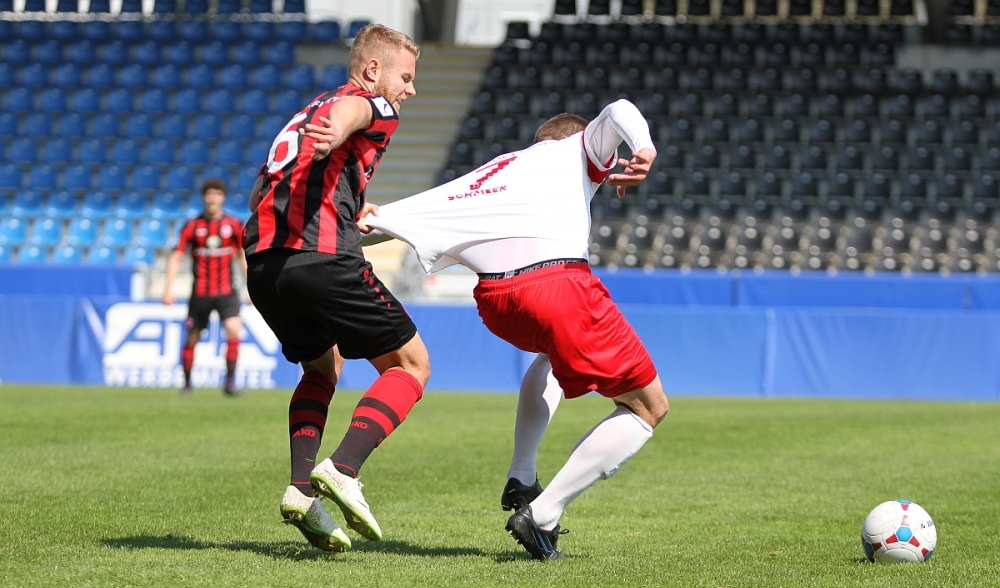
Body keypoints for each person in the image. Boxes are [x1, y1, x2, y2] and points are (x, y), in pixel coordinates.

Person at [315, 98, 668, 560]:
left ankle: (523, 474)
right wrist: (644, 148)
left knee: (551, 355)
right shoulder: (575, 151)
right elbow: (620, 109)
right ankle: (542, 515)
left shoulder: (491, 174)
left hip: (498, 302)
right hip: (557, 284)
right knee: (648, 407)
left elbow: (374, 223)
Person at [242, 24, 430, 553]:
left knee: (323, 367)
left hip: (264, 265)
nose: (410, 89)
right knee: (411, 365)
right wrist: (341, 127)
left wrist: (349, 205)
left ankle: (301, 490)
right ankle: (344, 468)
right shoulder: (364, 104)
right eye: (405, 77)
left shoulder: (304, 113)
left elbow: (264, 193)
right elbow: (359, 111)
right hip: (320, 259)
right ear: (373, 70)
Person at [163, 178, 247, 398]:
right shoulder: (192, 225)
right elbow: (176, 255)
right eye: (210, 194)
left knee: (233, 328)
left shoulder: (233, 224)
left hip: (227, 291)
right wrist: (168, 289)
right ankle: (187, 383)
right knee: (192, 337)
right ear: (204, 197)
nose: (213, 198)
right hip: (200, 292)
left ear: (223, 198)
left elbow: (242, 256)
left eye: (217, 194)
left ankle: (230, 383)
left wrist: (250, 287)